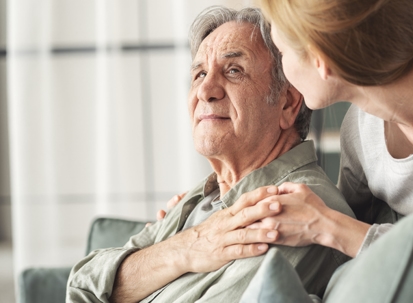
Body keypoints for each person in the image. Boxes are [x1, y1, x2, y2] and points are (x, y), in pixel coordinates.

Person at [203, 0, 413, 302]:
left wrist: (327, 225)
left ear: (320, 61)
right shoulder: (361, 128)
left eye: (282, 52)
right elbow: (347, 238)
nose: (284, 72)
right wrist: (205, 206)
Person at [66, 6, 355, 303]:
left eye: (233, 71)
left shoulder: (295, 211)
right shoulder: (201, 199)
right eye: (200, 73)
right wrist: (186, 247)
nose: (205, 90)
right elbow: (81, 286)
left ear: (287, 103)